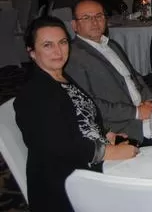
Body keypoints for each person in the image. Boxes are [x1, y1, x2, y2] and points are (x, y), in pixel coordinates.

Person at [14, 16, 138, 211]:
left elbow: (78, 118)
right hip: (67, 185)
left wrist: (105, 135)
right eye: (47, 45)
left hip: (87, 167)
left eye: (62, 42)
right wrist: (108, 152)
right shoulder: (32, 94)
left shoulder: (61, 78)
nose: (58, 51)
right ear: (32, 52)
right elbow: (56, 146)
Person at [65, 0, 152, 145]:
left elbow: (135, 76)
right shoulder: (73, 57)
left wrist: (148, 100)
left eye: (99, 16)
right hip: (124, 128)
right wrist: (136, 112)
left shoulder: (112, 44)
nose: (94, 22)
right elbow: (89, 104)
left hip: (145, 111)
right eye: (86, 18)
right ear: (75, 25)